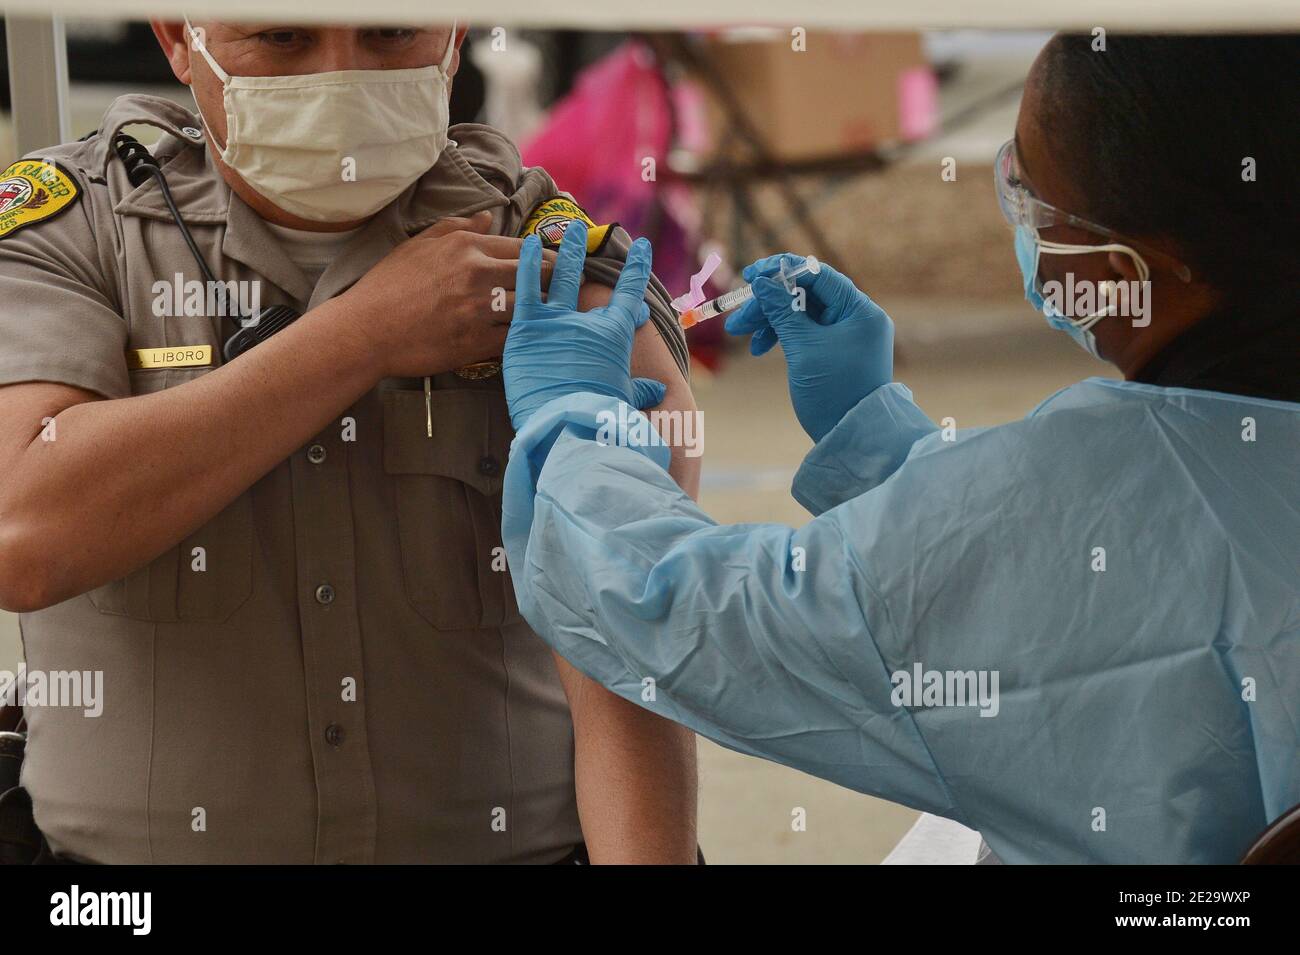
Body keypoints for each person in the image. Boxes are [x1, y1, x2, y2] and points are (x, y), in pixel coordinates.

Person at [496, 33, 1299, 863]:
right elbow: (1020, 572)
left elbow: (697, 616)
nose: (1017, 208)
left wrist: (573, 426)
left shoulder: (1077, 496)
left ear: (1131, 268)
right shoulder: (1151, 480)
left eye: (1035, 198)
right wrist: (875, 437)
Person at [0, 19, 702, 863]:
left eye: (388, 32)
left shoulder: (546, 258)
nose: (342, 76)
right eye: (285, 39)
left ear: (454, 30)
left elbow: (637, 638)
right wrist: (365, 335)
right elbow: (23, 532)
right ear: (179, 39)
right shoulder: (75, 234)